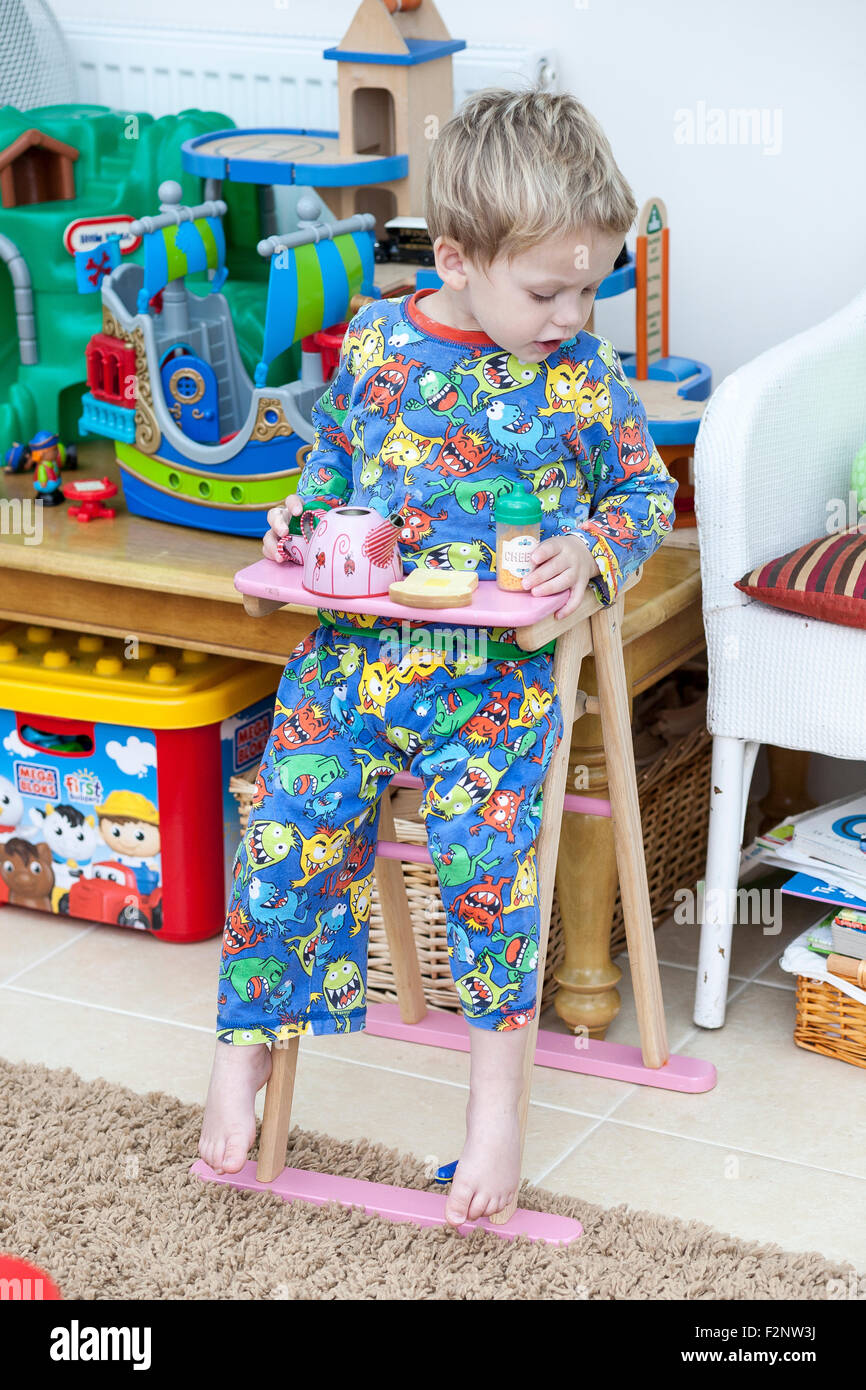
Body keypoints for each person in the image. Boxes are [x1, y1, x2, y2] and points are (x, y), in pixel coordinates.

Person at [199, 87, 677, 1228]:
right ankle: (242, 1053)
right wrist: (292, 524)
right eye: (547, 290)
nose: (574, 312)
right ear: (457, 258)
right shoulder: (373, 340)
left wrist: (585, 545)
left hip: (492, 689)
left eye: (590, 286)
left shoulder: (579, 379)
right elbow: (329, 476)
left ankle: (494, 1109)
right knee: (281, 830)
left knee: (484, 868)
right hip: (355, 663)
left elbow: (645, 491)